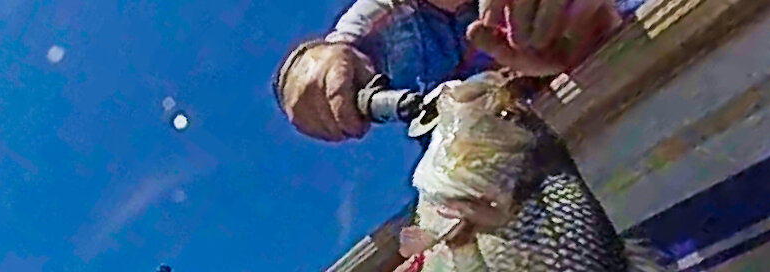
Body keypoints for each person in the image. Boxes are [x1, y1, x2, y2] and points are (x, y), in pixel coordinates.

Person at [273, 0, 643, 143]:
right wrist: (307, 68)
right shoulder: (386, 16)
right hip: (487, 212)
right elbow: (325, 61)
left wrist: (601, 34)